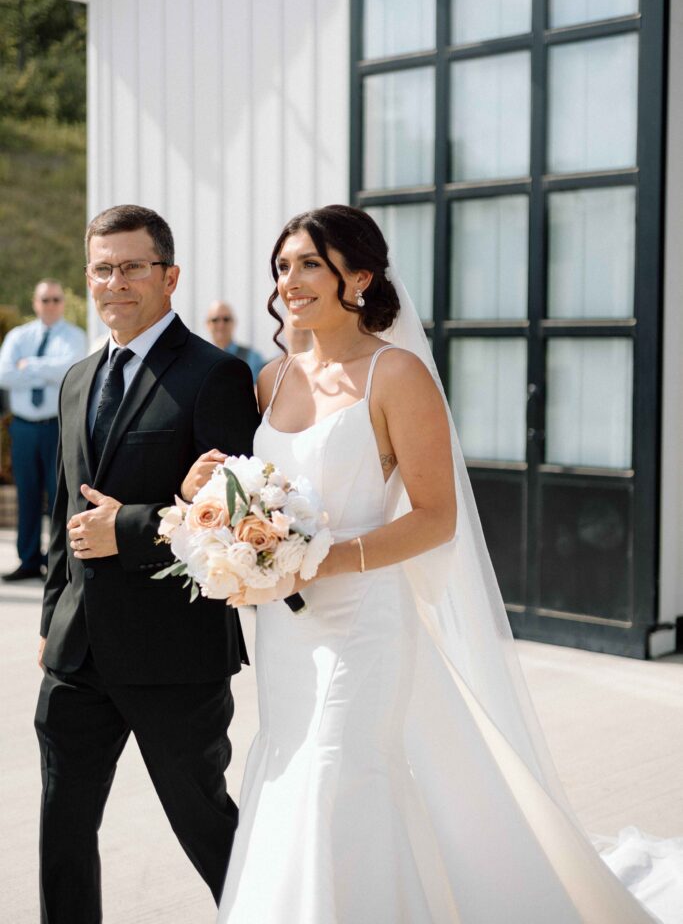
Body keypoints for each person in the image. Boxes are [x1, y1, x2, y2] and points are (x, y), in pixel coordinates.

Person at [184, 205, 681, 923]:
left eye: (309, 264)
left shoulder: (396, 374)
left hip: (364, 626)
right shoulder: (272, 380)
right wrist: (212, 500)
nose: (289, 279)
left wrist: (322, 561)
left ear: (359, 275)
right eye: (283, 265)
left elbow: (435, 518)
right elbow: (261, 494)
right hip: (287, 632)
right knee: (295, 770)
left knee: (340, 773)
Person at [34, 204, 260, 924]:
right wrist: (51, 619)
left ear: (170, 276)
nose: (116, 282)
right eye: (103, 268)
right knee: (62, 835)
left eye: (133, 266)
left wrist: (127, 530)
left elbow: (237, 516)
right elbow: (66, 508)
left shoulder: (215, 375)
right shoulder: (76, 379)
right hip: (78, 653)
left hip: (175, 653)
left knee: (207, 828)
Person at [0, 280, 86, 582]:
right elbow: (4, 374)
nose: (50, 305)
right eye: (45, 299)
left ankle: (58, 562)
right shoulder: (17, 336)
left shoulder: (75, 337)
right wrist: (46, 369)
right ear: (35, 303)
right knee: (28, 494)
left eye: (55, 299)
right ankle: (28, 559)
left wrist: (28, 366)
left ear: (62, 302)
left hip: (56, 428)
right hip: (23, 428)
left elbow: (69, 371)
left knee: (58, 494)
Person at [206, 300, 266, 383]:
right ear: (207, 324)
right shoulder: (199, 360)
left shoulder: (253, 358)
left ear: (234, 323)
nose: (221, 325)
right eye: (215, 320)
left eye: (226, 319)